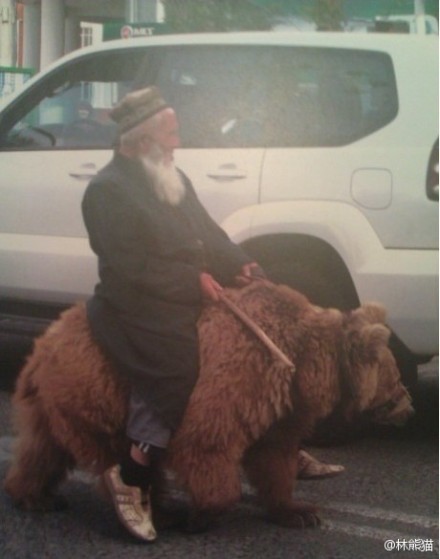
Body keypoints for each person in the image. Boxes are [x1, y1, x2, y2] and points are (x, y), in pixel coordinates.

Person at [82, 86, 342, 542]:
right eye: (172, 134)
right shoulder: (107, 191)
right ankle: (132, 472)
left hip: (185, 287)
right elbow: (129, 268)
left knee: (269, 326)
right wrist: (193, 280)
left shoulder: (168, 174)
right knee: (177, 366)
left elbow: (208, 232)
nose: (178, 142)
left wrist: (240, 264)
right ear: (143, 140)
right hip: (136, 301)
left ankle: (277, 442)